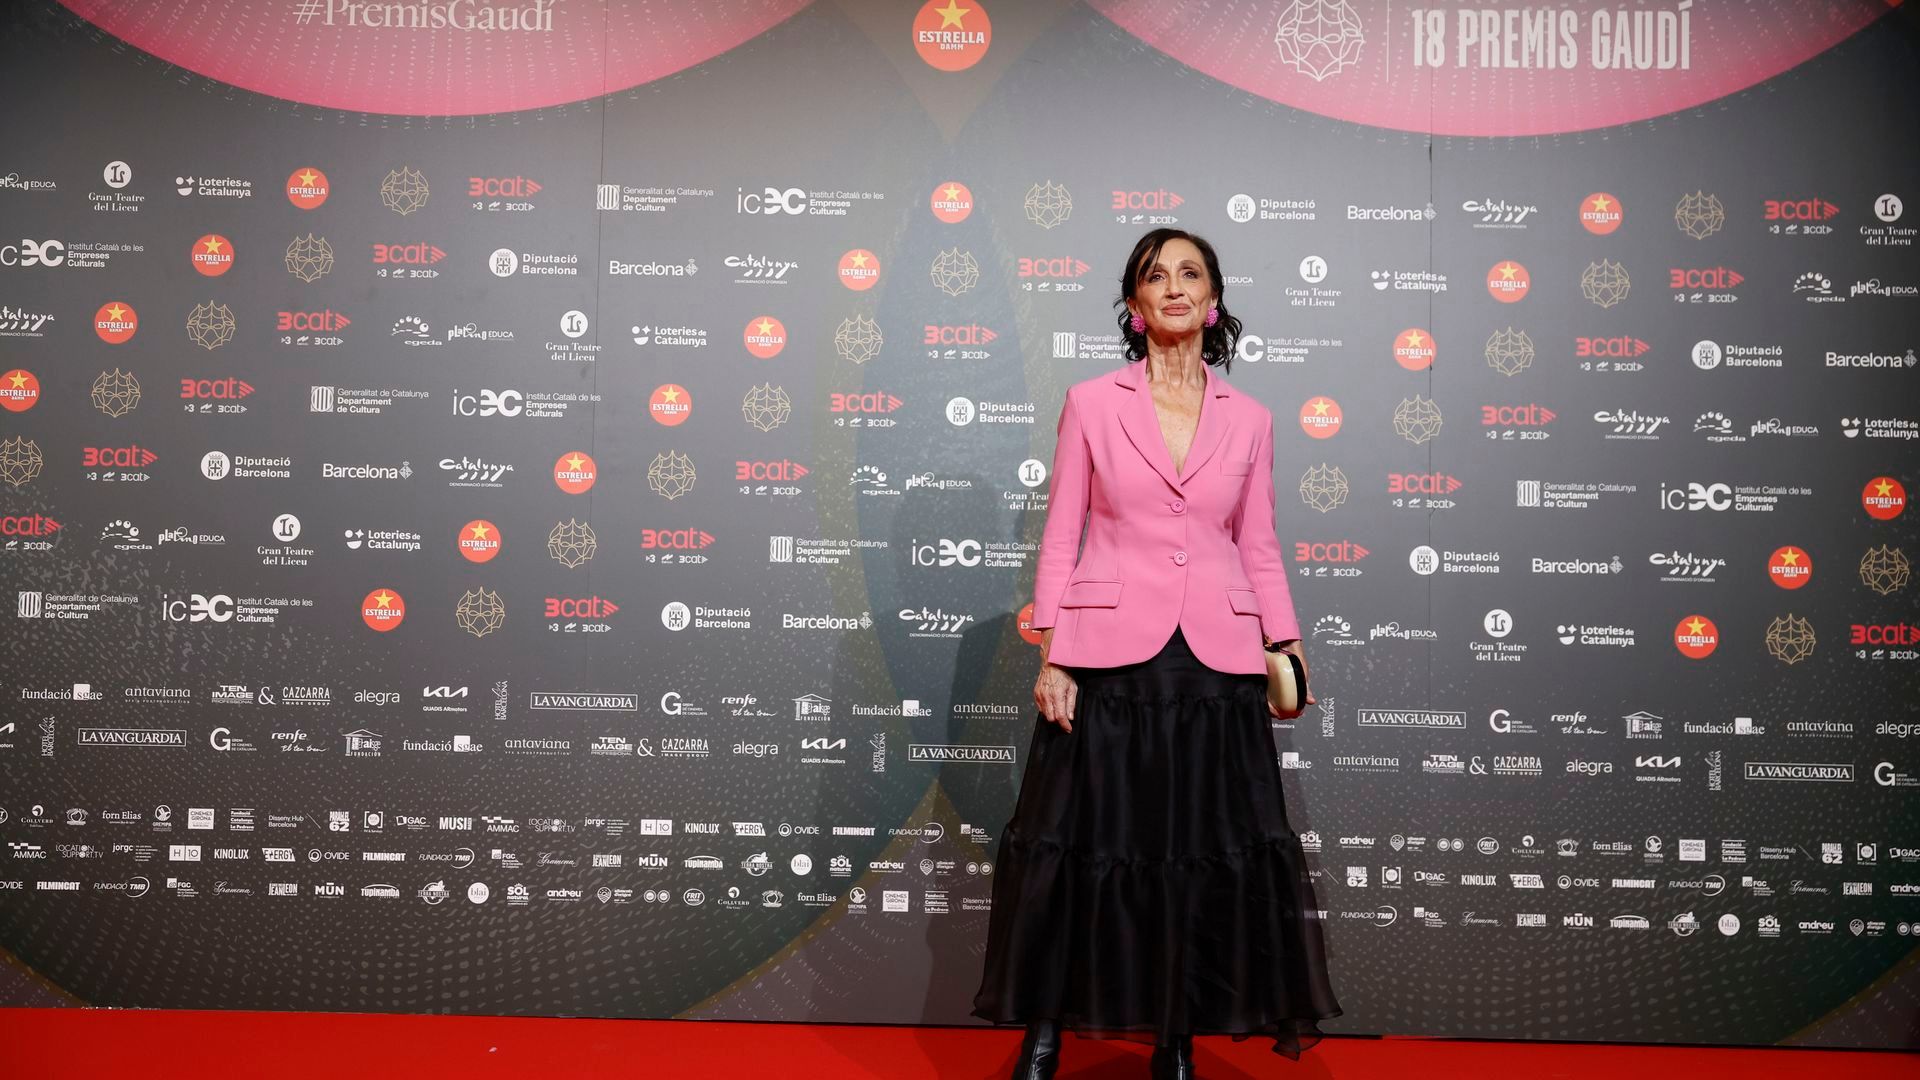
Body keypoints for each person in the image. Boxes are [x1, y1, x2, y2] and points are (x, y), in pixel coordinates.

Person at [972, 229, 1343, 1079]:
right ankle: (1045, 1031)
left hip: (1214, 663)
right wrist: (1054, 654)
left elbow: (1260, 544)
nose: (1173, 287)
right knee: (1082, 849)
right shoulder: (1093, 402)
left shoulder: (1249, 418)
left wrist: (1283, 642)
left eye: (1189, 274)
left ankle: (1174, 1039)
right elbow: (1063, 531)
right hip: (1106, 656)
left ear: (1212, 299)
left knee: (1190, 856)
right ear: (1134, 307)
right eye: (1154, 276)